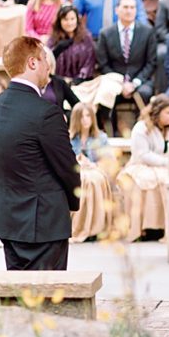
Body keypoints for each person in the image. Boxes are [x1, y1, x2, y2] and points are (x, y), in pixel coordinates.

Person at [0, 36, 80, 270]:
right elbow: (68, 168)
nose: (49, 66)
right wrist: (72, 202)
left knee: (19, 300)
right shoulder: (46, 112)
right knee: (48, 301)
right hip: (44, 222)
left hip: (9, 219)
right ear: (32, 63)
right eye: (45, 59)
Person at [117, 94, 169, 242]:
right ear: (157, 112)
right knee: (145, 181)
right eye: (168, 113)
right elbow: (143, 154)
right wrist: (167, 161)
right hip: (144, 164)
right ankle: (144, 228)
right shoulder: (141, 128)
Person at [89, 0, 157, 133]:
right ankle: (111, 133)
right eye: (125, 7)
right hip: (114, 80)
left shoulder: (147, 32)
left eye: (132, 7)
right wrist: (120, 83)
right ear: (117, 10)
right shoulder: (106, 33)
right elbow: (103, 64)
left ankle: (141, 133)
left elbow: (151, 62)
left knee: (145, 92)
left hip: (140, 80)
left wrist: (135, 82)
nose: (129, 11)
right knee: (107, 94)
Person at [68, 102, 114, 243]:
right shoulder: (68, 138)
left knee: (91, 180)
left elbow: (108, 161)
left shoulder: (101, 138)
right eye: (81, 117)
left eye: (88, 116)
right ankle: (78, 226)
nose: (85, 119)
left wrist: (92, 164)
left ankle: (94, 227)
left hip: (96, 170)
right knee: (82, 179)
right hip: (77, 171)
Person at [48, 4, 97, 94]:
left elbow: (90, 61)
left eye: (72, 19)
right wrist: (57, 50)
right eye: (65, 19)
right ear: (60, 21)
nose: (69, 23)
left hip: (82, 82)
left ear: (77, 20)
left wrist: (77, 80)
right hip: (59, 82)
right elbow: (47, 61)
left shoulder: (86, 37)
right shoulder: (53, 38)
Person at [40, 45, 80, 111]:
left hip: (57, 120)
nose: (45, 70)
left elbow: (77, 105)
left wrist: (66, 116)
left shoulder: (60, 83)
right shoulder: (31, 83)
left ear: (51, 65)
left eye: (47, 67)